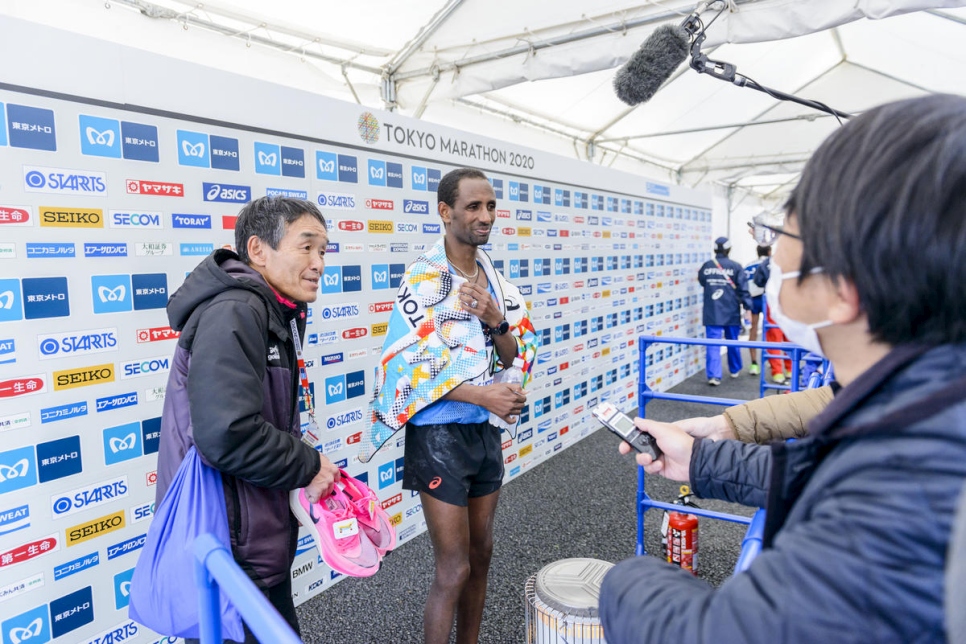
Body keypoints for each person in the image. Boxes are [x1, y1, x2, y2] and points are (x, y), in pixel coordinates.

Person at [600, 94, 966, 643]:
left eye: (786, 236)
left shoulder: (907, 483)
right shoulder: (920, 408)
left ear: (844, 289)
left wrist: (623, 579)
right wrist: (702, 457)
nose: (773, 258)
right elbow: (822, 470)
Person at [155, 196, 340, 643]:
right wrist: (310, 465)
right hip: (230, 550)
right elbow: (227, 433)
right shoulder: (237, 310)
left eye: (324, 251)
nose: (318, 263)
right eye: (306, 247)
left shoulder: (271, 310)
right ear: (258, 250)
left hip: (249, 544)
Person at [365, 168, 538, 644]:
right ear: (445, 212)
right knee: (453, 568)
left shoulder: (495, 281)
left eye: (490, 207)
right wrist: (481, 394)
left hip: (482, 434)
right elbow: (405, 370)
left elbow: (514, 354)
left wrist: (496, 320)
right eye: (473, 207)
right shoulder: (423, 278)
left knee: (481, 556)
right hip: (437, 437)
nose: (485, 216)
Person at [697, 237, 753, 385]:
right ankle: (735, 369)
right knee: (732, 341)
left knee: (713, 345)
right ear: (729, 249)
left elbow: (702, 281)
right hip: (731, 311)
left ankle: (714, 376)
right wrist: (748, 307)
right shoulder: (736, 267)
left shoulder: (707, 266)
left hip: (712, 311)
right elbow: (743, 289)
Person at [753, 255, 793, 383]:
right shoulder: (792, 258)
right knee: (789, 337)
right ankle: (791, 370)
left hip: (772, 301)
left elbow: (758, 280)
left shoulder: (767, 262)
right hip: (789, 301)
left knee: (774, 338)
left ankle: (777, 373)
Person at [743, 245, 770, 375]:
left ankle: (754, 364)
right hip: (767, 298)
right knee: (772, 330)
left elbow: (743, 284)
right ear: (769, 251)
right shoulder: (771, 264)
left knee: (753, 330)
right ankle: (772, 360)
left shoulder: (749, 265)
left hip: (752, 299)